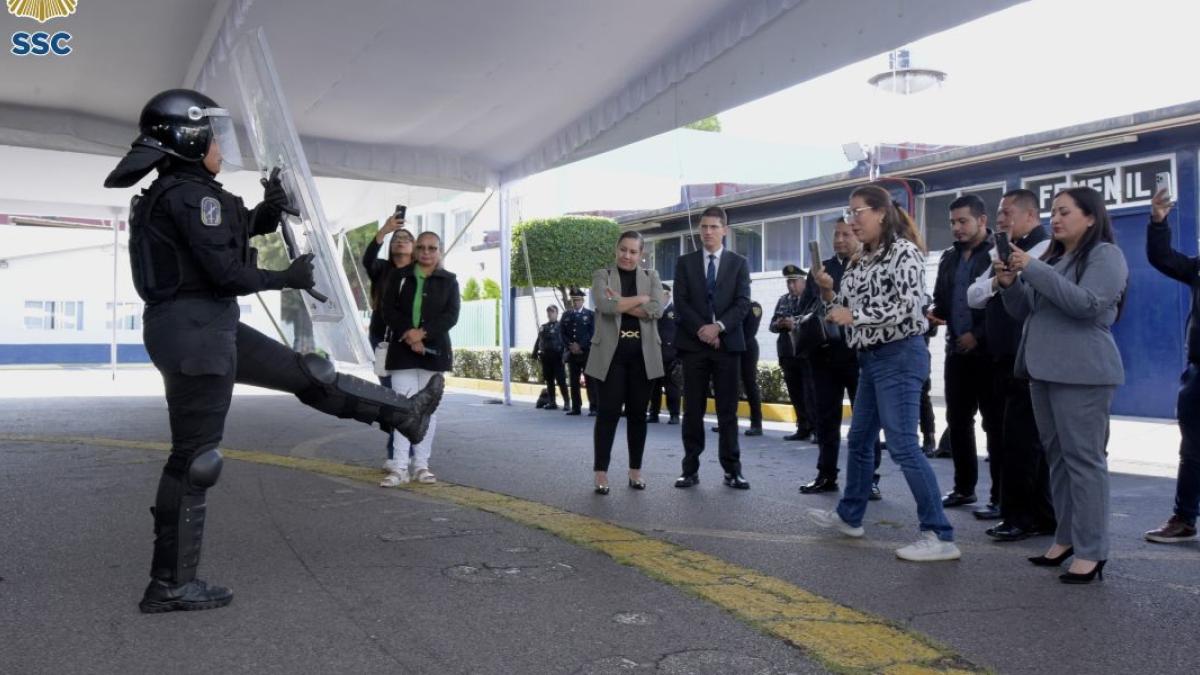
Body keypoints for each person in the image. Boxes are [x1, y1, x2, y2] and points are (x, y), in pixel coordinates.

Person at [104, 89, 442, 613]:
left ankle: (406, 416)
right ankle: (170, 584)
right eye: (212, 134)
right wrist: (285, 277)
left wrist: (266, 211)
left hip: (203, 327)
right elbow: (225, 272)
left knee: (308, 372)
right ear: (189, 137)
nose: (219, 143)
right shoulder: (194, 196)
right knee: (195, 460)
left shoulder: (181, 192)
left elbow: (221, 240)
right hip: (197, 331)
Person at [806, 185, 959, 562]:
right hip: (870, 359)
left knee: (904, 445)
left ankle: (939, 534)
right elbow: (843, 306)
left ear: (880, 213)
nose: (852, 220)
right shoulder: (861, 260)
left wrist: (854, 315)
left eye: (858, 212)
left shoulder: (904, 252)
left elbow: (909, 307)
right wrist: (829, 292)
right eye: (849, 211)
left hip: (900, 355)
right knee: (859, 441)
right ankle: (850, 515)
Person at [997, 186, 1127, 584]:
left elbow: (1085, 305)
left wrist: (1033, 269)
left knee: (1084, 462)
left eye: (1065, 212)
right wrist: (1009, 283)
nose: (1055, 219)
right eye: (1053, 212)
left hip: (1083, 372)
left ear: (1090, 217)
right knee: (1057, 458)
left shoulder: (1106, 255)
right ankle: (1066, 538)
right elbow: (1025, 311)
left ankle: (1092, 550)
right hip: (1044, 371)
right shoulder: (1056, 257)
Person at [967, 189, 1055, 541]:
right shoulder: (1000, 251)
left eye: (1006, 213)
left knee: (1026, 443)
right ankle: (1018, 511)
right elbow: (973, 295)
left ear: (1030, 215)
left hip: (1030, 359)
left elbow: (1022, 287)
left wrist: (1003, 280)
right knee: (1010, 440)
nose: (999, 220)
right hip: (1003, 359)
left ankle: (1026, 517)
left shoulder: (1042, 249)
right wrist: (996, 281)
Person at [928, 194, 1003, 519]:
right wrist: (932, 313)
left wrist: (979, 333)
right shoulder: (948, 258)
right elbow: (942, 300)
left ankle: (1000, 497)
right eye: (953, 223)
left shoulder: (1000, 254)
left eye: (963, 222)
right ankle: (963, 488)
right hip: (956, 351)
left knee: (995, 426)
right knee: (958, 422)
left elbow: (1004, 303)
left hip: (989, 354)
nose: (957, 228)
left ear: (981, 221)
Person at [796, 220, 883, 499]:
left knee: (866, 420)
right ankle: (826, 474)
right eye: (837, 234)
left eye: (847, 234)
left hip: (859, 356)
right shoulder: (820, 270)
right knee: (826, 418)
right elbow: (805, 308)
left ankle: (869, 478)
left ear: (859, 235)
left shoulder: (870, 265)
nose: (840, 239)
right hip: (824, 355)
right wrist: (822, 296)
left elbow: (873, 308)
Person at [672, 206, 752, 490]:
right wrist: (703, 331)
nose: (707, 232)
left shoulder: (739, 263)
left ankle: (733, 470)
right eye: (704, 227)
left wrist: (718, 328)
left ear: (724, 230)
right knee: (692, 409)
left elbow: (743, 303)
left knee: (727, 411)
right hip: (694, 346)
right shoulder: (685, 262)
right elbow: (680, 303)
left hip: (727, 346)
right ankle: (689, 469)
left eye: (713, 227)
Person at [586, 232, 666, 493]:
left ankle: (635, 472)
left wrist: (620, 302)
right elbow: (603, 304)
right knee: (608, 413)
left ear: (641, 255)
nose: (627, 256)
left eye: (633, 252)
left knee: (637, 416)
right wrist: (640, 300)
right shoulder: (602, 275)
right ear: (616, 249)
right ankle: (601, 474)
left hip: (643, 357)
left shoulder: (652, 277)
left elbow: (657, 309)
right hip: (611, 356)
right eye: (623, 250)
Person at [380, 231, 461, 486]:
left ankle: (421, 466)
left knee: (427, 411)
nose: (426, 252)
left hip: (434, 353)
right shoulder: (399, 276)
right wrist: (409, 335)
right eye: (422, 248)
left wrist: (423, 335)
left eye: (432, 248)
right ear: (415, 250)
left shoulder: (450, 281)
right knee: (403, 409)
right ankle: (399, 467)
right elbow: (387, 309)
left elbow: (451, 315)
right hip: (402, 351)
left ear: (440, 252)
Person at [1144, 186, 1200, 544]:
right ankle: (1183, 518)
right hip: (1198, 373)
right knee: (1192, 448)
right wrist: (1158, 221)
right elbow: (1163, 258)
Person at [362, 218, 414, 472]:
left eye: (406, 239)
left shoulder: (420, 273)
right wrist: (384, 231)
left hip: (410, 343)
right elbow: (367, 260)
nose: (400, 241)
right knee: (392, 397)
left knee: (408, 397)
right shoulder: (382, 269)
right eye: (397, 239)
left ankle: (402, 454)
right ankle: (400, 453)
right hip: (382, 341)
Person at [769, 266, 818, 441]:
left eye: (794, 281)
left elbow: (814, 321)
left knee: (810, 393)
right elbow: (772, 325)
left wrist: (794, 324)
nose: (791, 286)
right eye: (788, 282)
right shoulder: (783, 300)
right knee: (795, 393)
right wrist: (780, 324)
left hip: (805, 354)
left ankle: (816, 429)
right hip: (787, 354)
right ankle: (802, 426)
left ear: (803, 281)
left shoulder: (811, 300)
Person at [560, 288, 598, 416]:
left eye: (577, 300)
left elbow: (592, 333)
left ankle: (593, 407)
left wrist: (580, 345)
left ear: (583, 300)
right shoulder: (566, 315)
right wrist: (570, 345)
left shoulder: (590, 315)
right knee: (574, 381)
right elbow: (562, 333)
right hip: (572, 353)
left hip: (586, 352)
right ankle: (576, 407)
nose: (575, 303)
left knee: (590, 380)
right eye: (573, 300)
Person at [647, 284, 681, 424]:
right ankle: (654, 413)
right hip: (654, 354)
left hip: (670, 355)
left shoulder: (676, 311)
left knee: (671, 386)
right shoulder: (652, 312)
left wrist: (679, 356)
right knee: (653, 387)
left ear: (667, 295)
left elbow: (682, 334)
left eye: (661, 295)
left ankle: (674, 414)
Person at [533, 305, 569, 410]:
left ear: (557, 313)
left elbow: (566, 341)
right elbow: (538, 340)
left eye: (552, 312)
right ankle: (552, 402)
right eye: (548, 312)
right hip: (546, 357)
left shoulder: (561, 326)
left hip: (558, 357)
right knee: (549, 380)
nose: (550, 314)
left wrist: (566, 355)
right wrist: (535, 353)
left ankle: (567, 403)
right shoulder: (544, 327)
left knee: (561, 381)